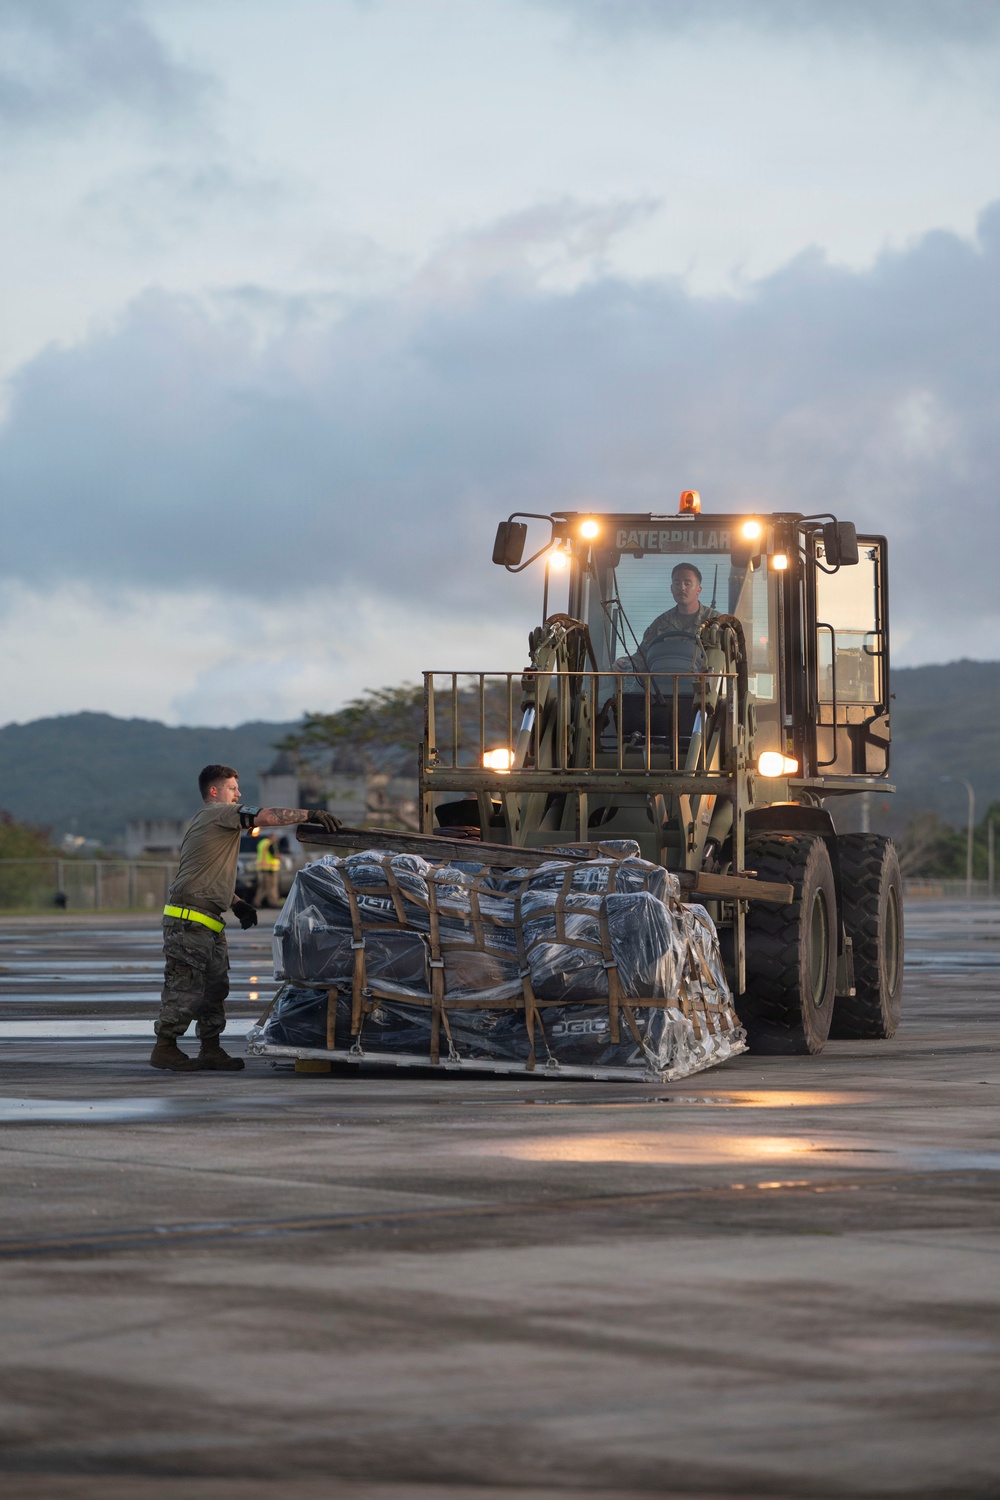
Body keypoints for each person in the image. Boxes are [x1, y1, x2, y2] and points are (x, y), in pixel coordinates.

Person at [150, 764, 341, 1073]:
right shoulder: (218, 813)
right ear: (214, 791)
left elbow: (207, 876)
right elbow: (265, 816)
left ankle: (210, 1049)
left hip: (208, 920)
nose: (238, 793)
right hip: (189, 921)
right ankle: (165, 1047)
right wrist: (311, 815)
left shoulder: (212, 824)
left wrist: (237, 903)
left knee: (215, 989)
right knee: (185, 987)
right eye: (232, 788)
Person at [254, 833, 281, 909]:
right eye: (275, 837)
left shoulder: (262, 843)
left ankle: (257, 902)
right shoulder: (270, 844)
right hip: (270, 869)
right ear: (271, 837)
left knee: (263, 887)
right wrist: (280, 856)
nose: (276, 839)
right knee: (272, 887)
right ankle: (273, 903)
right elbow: (274, 855)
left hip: (262, 868)